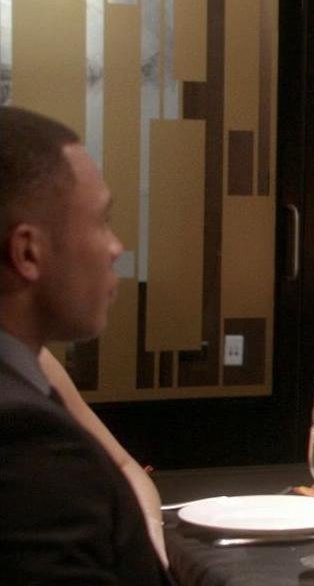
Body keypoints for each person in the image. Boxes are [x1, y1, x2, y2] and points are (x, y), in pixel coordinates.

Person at [0, 105, 169, 583]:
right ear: (27, 252)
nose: (116, 247)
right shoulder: (25, 444)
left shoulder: (26, 378)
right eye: (102, 222)